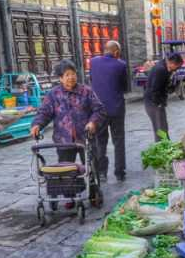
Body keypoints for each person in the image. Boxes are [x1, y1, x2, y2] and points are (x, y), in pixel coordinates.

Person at [31, 59, 106, 164]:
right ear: (60, 78)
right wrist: (37, 124)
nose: (71, 77)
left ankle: (93, 179)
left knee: (91, 168)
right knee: (66, 171)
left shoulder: (86, 91)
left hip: (86, 136)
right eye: (67, 75)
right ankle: (75, 181)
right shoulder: (54, 94)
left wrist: (93, 122)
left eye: (73, 74)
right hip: (63, 139)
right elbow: (44, 112)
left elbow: (99, 109)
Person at [90, 41, 128, 183]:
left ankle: (101, 173)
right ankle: (119, 172)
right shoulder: (121, 65)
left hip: (99, 110)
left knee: (101, 142)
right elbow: (124, 86)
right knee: (118, 140)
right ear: (116, 52)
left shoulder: (93, 62)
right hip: (116, 108)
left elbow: (92, 81)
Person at [143, 52, 183, 141]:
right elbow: (155, 89)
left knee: (161, 127)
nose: (177, 69)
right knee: (160, 128)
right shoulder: (160, 69)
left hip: (154, 102)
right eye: (177, 67)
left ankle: (165, 145)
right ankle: (162, 148)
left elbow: (163, 86)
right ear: (172, 63)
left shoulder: (166, 67)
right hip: (153, 103)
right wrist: (159, 104)